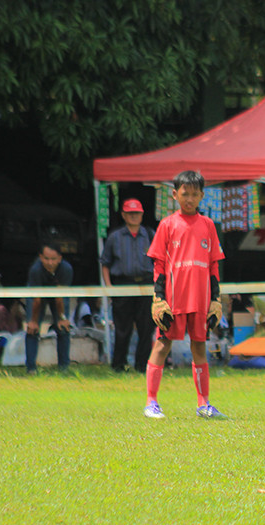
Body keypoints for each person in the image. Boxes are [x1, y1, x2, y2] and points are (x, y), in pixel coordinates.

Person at [144, 171, 226, 419]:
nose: (189, 199)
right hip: (174, 297)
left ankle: (204, 404)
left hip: (200, 299)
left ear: (202, 195)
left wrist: (216, 300)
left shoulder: (208, 225)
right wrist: (159, 298)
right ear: (175, 194)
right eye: (184, 193)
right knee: (162, 343)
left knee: (199, 346)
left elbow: (213, 266)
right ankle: (151, 402)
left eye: (194, 194)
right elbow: (158, 265)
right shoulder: (167, 224)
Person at [100, 198, 156, 372]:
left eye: (137, 213)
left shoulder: (150, 234)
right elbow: (105, 263)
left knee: (146, 328)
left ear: (142, 215)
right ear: (123, 215)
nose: (134, 216)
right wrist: (109, 288)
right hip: (122, 285)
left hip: (146, 285)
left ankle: (142, 366)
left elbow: (160, 262)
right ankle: (118, 365)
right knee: (122, 328)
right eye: (130, 213)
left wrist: (158, 287)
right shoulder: (114, 237)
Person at [25, 243, 73, 373]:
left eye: (53, 259)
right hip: (37, 295)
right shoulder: (35, 270)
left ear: (60, 258)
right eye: (46, 259)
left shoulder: (66, 269)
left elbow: (60, 298)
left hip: (59, 296)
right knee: (32, 329)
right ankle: (31, 368)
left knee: (63, 327)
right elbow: (37, 299)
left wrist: (62, 318)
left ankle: (64, 368)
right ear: (40, 257)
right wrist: (34, 321)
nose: (50, 263)